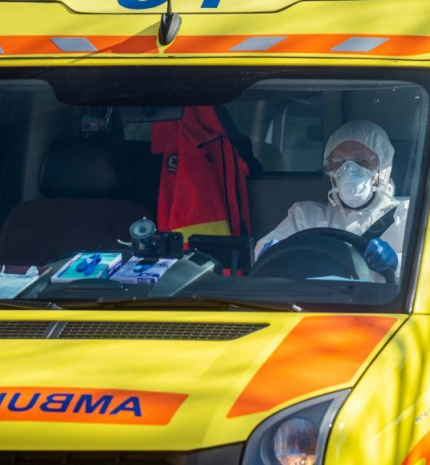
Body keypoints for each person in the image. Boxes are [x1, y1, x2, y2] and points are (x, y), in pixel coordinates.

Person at [255, 120, 409, 275]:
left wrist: (397, 263)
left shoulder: (407, 216)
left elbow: (421, 269)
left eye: (362, 161)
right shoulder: (305, 217)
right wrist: (272, 252)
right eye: (339, 162)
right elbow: (264, 254)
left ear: (383, 168)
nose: (348, 171)